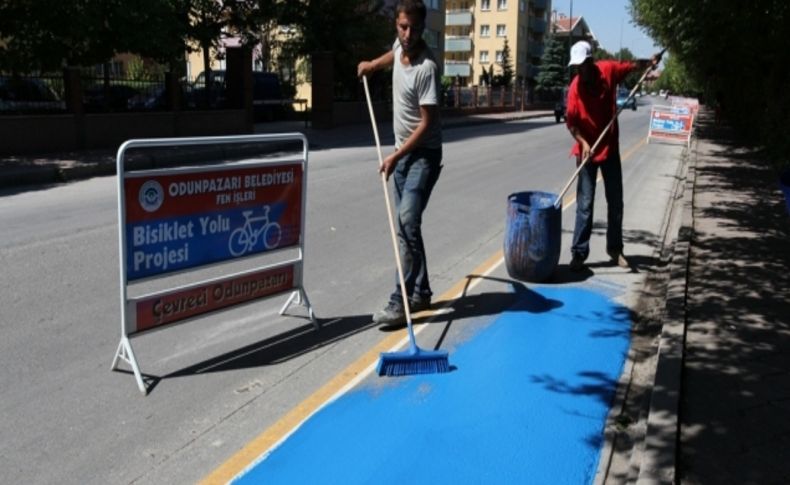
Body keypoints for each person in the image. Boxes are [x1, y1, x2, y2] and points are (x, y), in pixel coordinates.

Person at [357, 0, 443, 325]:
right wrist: (373, 65)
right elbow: (393, 53)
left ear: (423, 28)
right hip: (401, 152)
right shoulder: (399, 44)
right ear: (396, 23)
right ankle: (421, 291)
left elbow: (426, 124)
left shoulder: (427, 68)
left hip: (423, 154)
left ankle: (400, 300)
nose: (408, 34)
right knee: (409, 226)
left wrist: (395, 155)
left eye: (416, 28)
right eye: (403, 27)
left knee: (407, 221)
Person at [565, 40, 660, 271]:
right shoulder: (575, 89)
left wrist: (650, 62)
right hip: (586, 151)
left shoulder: (608, 70)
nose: (578, 71)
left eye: (581, 65)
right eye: (575, 67)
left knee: (615, 202)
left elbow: (630, 65)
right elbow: (572, 124)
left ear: (590, 62)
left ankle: (615, 249)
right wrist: (584, 143)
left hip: (609, 147)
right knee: (585, 204)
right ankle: (579, 254)